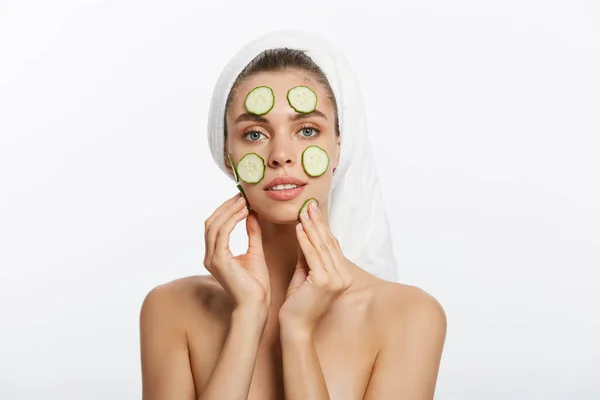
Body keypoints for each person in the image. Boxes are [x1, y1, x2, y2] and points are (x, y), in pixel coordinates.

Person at [140, 30, 446, 400]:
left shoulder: (409, 316)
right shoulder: (171, 309)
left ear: (338, 147)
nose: (281, 154)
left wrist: (297, 330)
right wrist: (248, 317)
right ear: (227, 155)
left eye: (306, 129)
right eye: (254, 134)